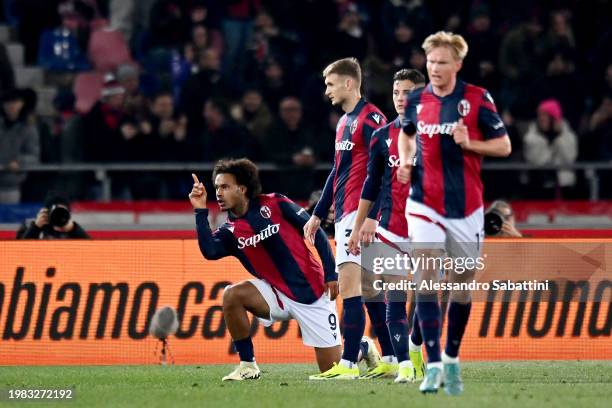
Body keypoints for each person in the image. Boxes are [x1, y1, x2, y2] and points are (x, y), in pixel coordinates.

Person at [397, 31, 511, 395]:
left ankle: (451, 357)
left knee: (461, 286)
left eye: (442, 62)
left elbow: (505, 146)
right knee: (427, 276)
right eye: (430, 61)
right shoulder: (417, 99)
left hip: (466, 207)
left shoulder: (477, 99)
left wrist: (470, 143)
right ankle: (430, 365)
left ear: (458, 64)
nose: (434, 68)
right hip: (423, 202)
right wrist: (405, 158)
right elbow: (406, 133)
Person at [189, 158, 341, 381]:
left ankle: (362, 348)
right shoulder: (229, 231)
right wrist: (200, 210)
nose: (219, 193)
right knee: (232, 295)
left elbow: (315, 231)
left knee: (331, 371)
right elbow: (209, 251)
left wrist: (330, 273)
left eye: (225, 187)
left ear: (242, 188)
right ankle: (247, 365)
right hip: (276, 293)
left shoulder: (275, 204)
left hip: (313, 292)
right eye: (217, 188)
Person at [305, 58, 390, 380]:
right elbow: (337, 171)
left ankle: (349, 364)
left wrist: (375, 215)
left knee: (350, 286)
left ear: (349, 84)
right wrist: (317, 213)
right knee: (368, 289)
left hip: (359, 214)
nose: (326, 91)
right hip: (345, 212)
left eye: (330, 84)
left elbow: (388, 168)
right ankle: (392, 359)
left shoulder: (372, 119)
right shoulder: (344, 122)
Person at [347, 68, 426, 383]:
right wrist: (359, 225)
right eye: (396, 93)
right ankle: (405, 364)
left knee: (428, 297)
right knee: (396, 295)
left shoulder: (437, 136)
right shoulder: (381, 137)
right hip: (391, 228)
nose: (401, 99)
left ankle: (416, 347)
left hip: (428, 228)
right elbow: (371, 184)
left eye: (408, 92)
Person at [0, 89, 39, 203]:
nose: (11, 106)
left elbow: (34, 156)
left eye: (15, 102)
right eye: (7, 103)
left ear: (22, 104)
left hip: (12, 185)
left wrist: (18, 162)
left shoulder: (29, 128)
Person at [17, 194, 89, 239]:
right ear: (46, 212)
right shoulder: (29, 225)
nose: (58, 215)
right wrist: (36, 228)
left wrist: (73, 229)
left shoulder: (72, 229)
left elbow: (91, 250)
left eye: (62, 212)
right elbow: (18, 251)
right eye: (56, 212)